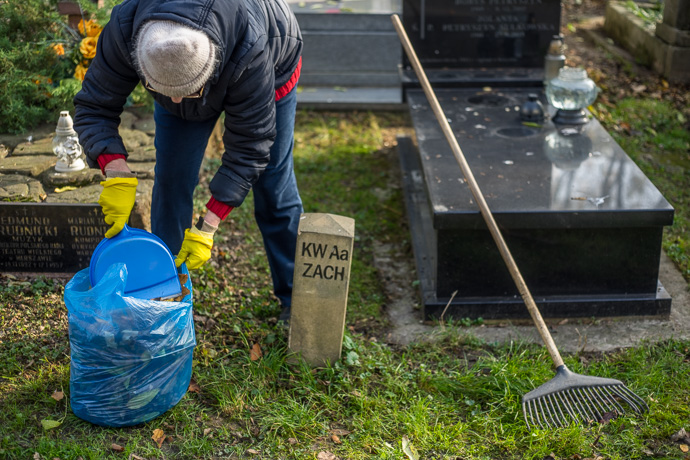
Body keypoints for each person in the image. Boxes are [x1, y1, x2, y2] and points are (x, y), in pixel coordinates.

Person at [73, 0, 304, 321]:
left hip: (273, 67)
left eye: (188, 91)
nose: (177, 100)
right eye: (158, 87)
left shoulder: (250, 47)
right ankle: (164, 291)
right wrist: (115, 170)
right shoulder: (126, 26)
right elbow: (94, 105)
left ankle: (297, 298)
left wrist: (209, 225)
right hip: (189, 69)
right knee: (171, 179)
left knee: (274, 188)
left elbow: (251, 146)